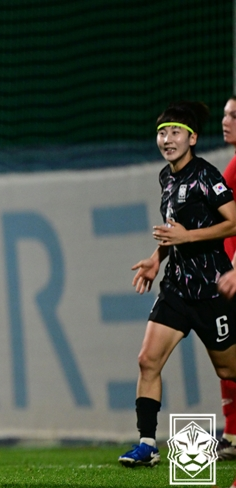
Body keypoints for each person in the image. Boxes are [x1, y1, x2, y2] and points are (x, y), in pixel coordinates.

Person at [117, 101, 236, 467]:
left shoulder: (208, 175)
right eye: (162, 133)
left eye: (175, 132)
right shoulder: (166, 178)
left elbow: (233, 223)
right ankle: (147, 443)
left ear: (192, 138)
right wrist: (157, 258)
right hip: (176, 289)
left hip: (211, 289)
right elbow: (174, 231)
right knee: (147, 360)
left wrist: (188, 238)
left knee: (229, 371)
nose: (167, 139)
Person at [217, 95, 236, 461]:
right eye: (224, 114)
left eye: (233, 115)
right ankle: (233, 434)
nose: (225, 120)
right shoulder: (232, 167)